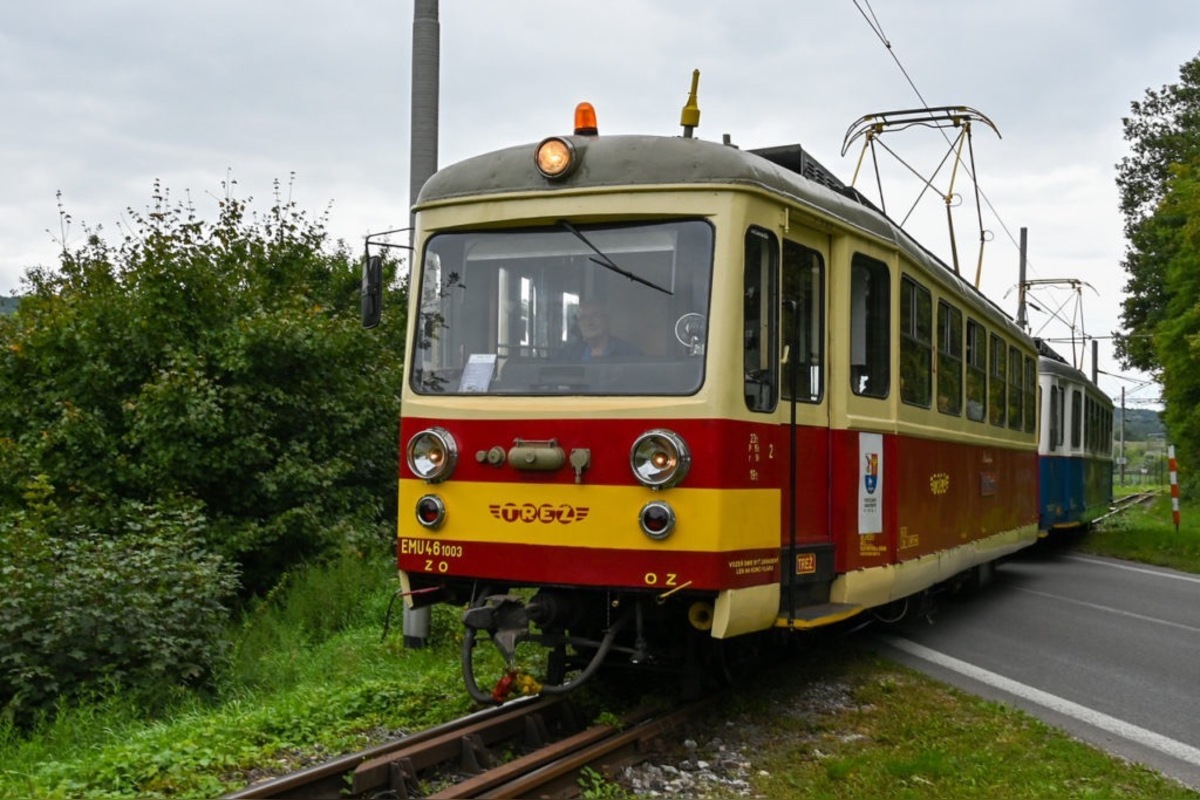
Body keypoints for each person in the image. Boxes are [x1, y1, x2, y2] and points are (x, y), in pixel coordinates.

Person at [558, 301, 641, 360]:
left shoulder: (629, 353)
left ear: (607, 320)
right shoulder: (567, 354)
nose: (589, 322)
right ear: (578, 324)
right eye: (583, 318)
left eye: (595, 316)